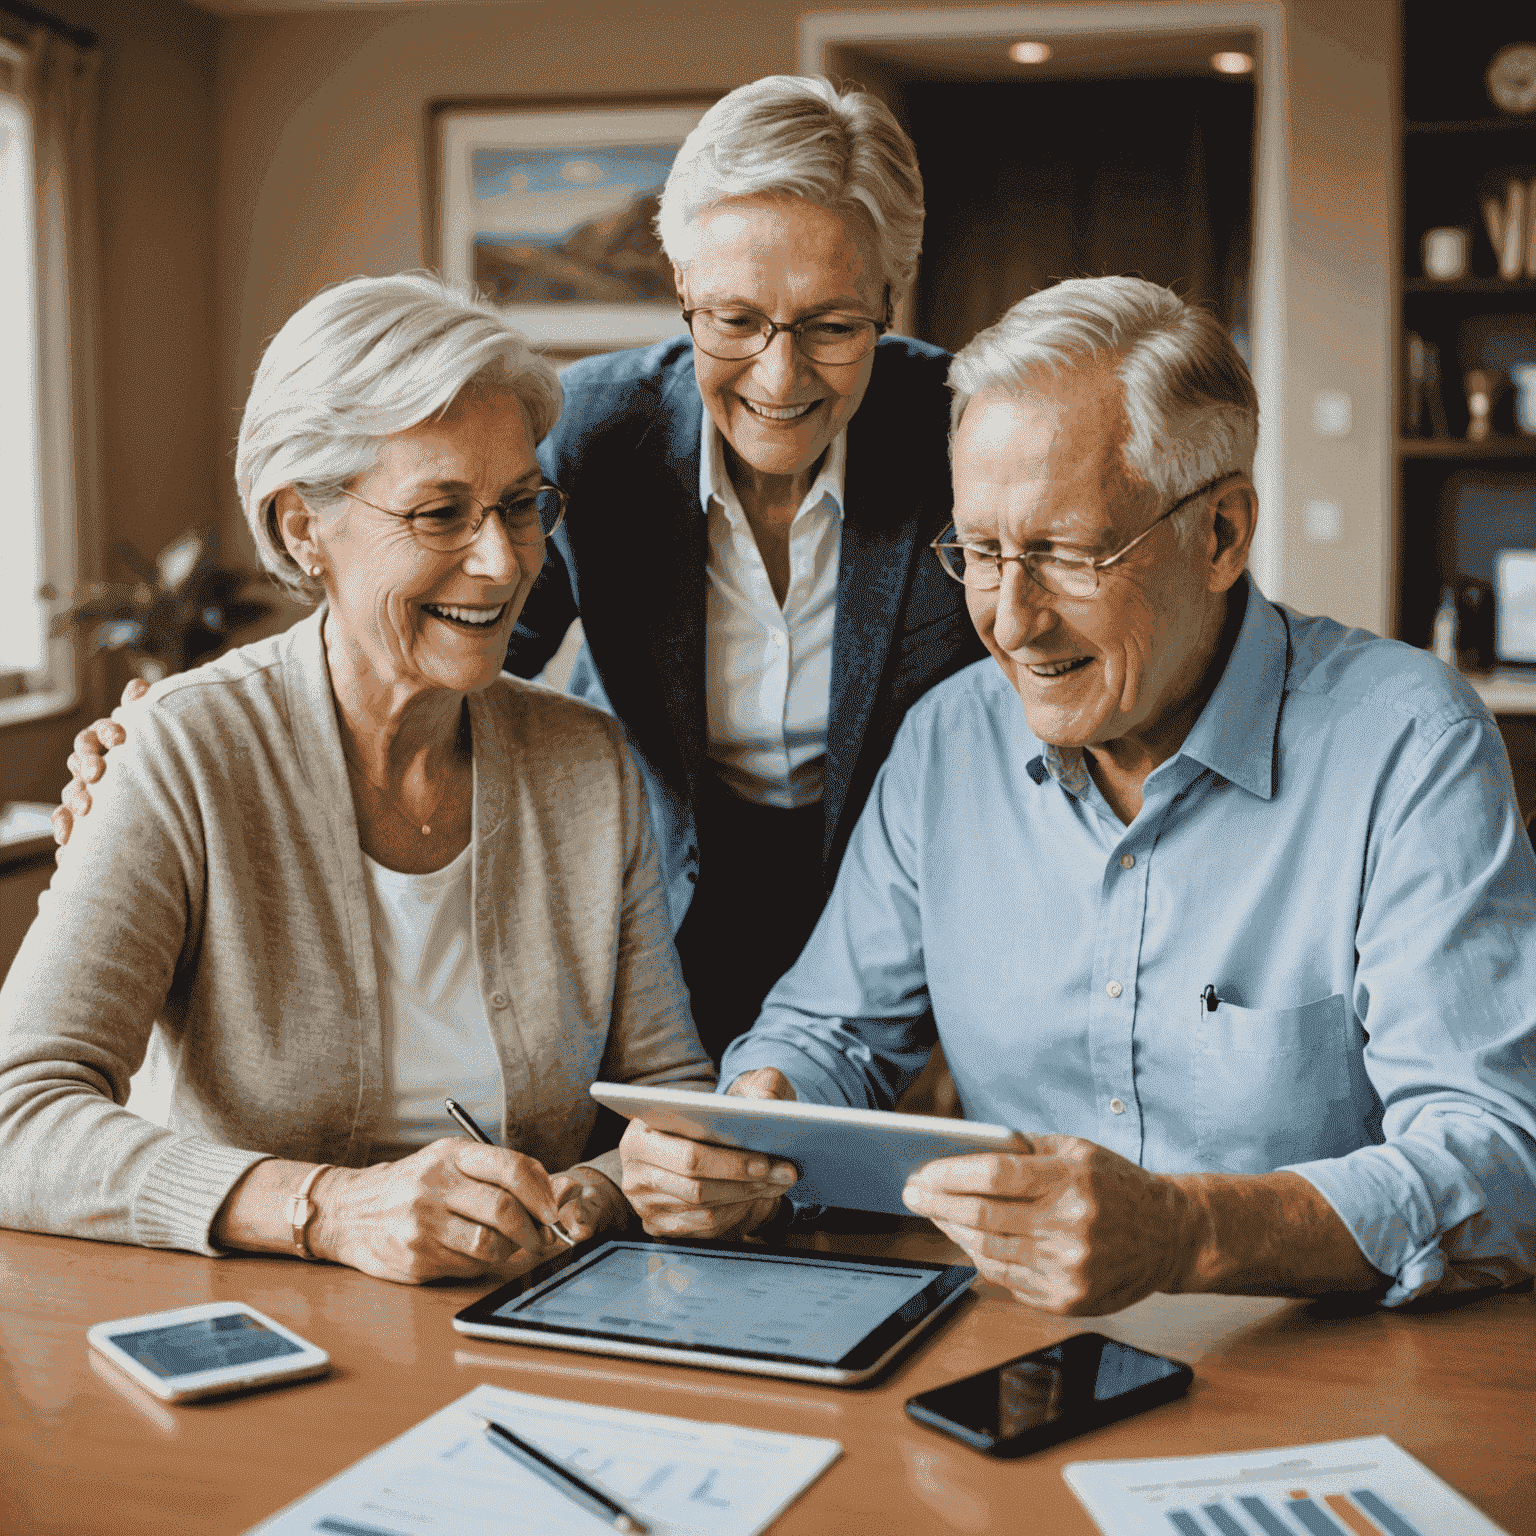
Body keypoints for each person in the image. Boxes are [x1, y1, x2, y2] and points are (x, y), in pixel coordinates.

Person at [619, 275, 1536, 1312]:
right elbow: (831, 1033)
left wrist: (1189, 1234)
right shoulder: (947, 744)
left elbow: (1497, 1158)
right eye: (981, 552)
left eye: (1065, 553)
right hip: (1004, 1360)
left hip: (1325, 1361)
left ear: (1223, 534)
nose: (1011, 620)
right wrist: (751, 1124)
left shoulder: (1409, 744)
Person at [0, 274, 713, 1284]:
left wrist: (599, 1190)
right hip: (262, 1345)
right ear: (303, 529)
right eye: (439, 513)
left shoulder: (588, 765)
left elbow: (667, 1098)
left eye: (521, 506)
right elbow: (17, 1117)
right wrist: (329, 1208)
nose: (505, 563)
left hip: (535, 1327)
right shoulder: (183, 753)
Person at [502, 75, 985, 1060]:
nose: (779, 375)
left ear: (890, 302)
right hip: (650, 907)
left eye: (832, 326)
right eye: (733, 321)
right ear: (682, 295)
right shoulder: (591, 431)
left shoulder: (966, 433)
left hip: (895, 927)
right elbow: (471, 655)